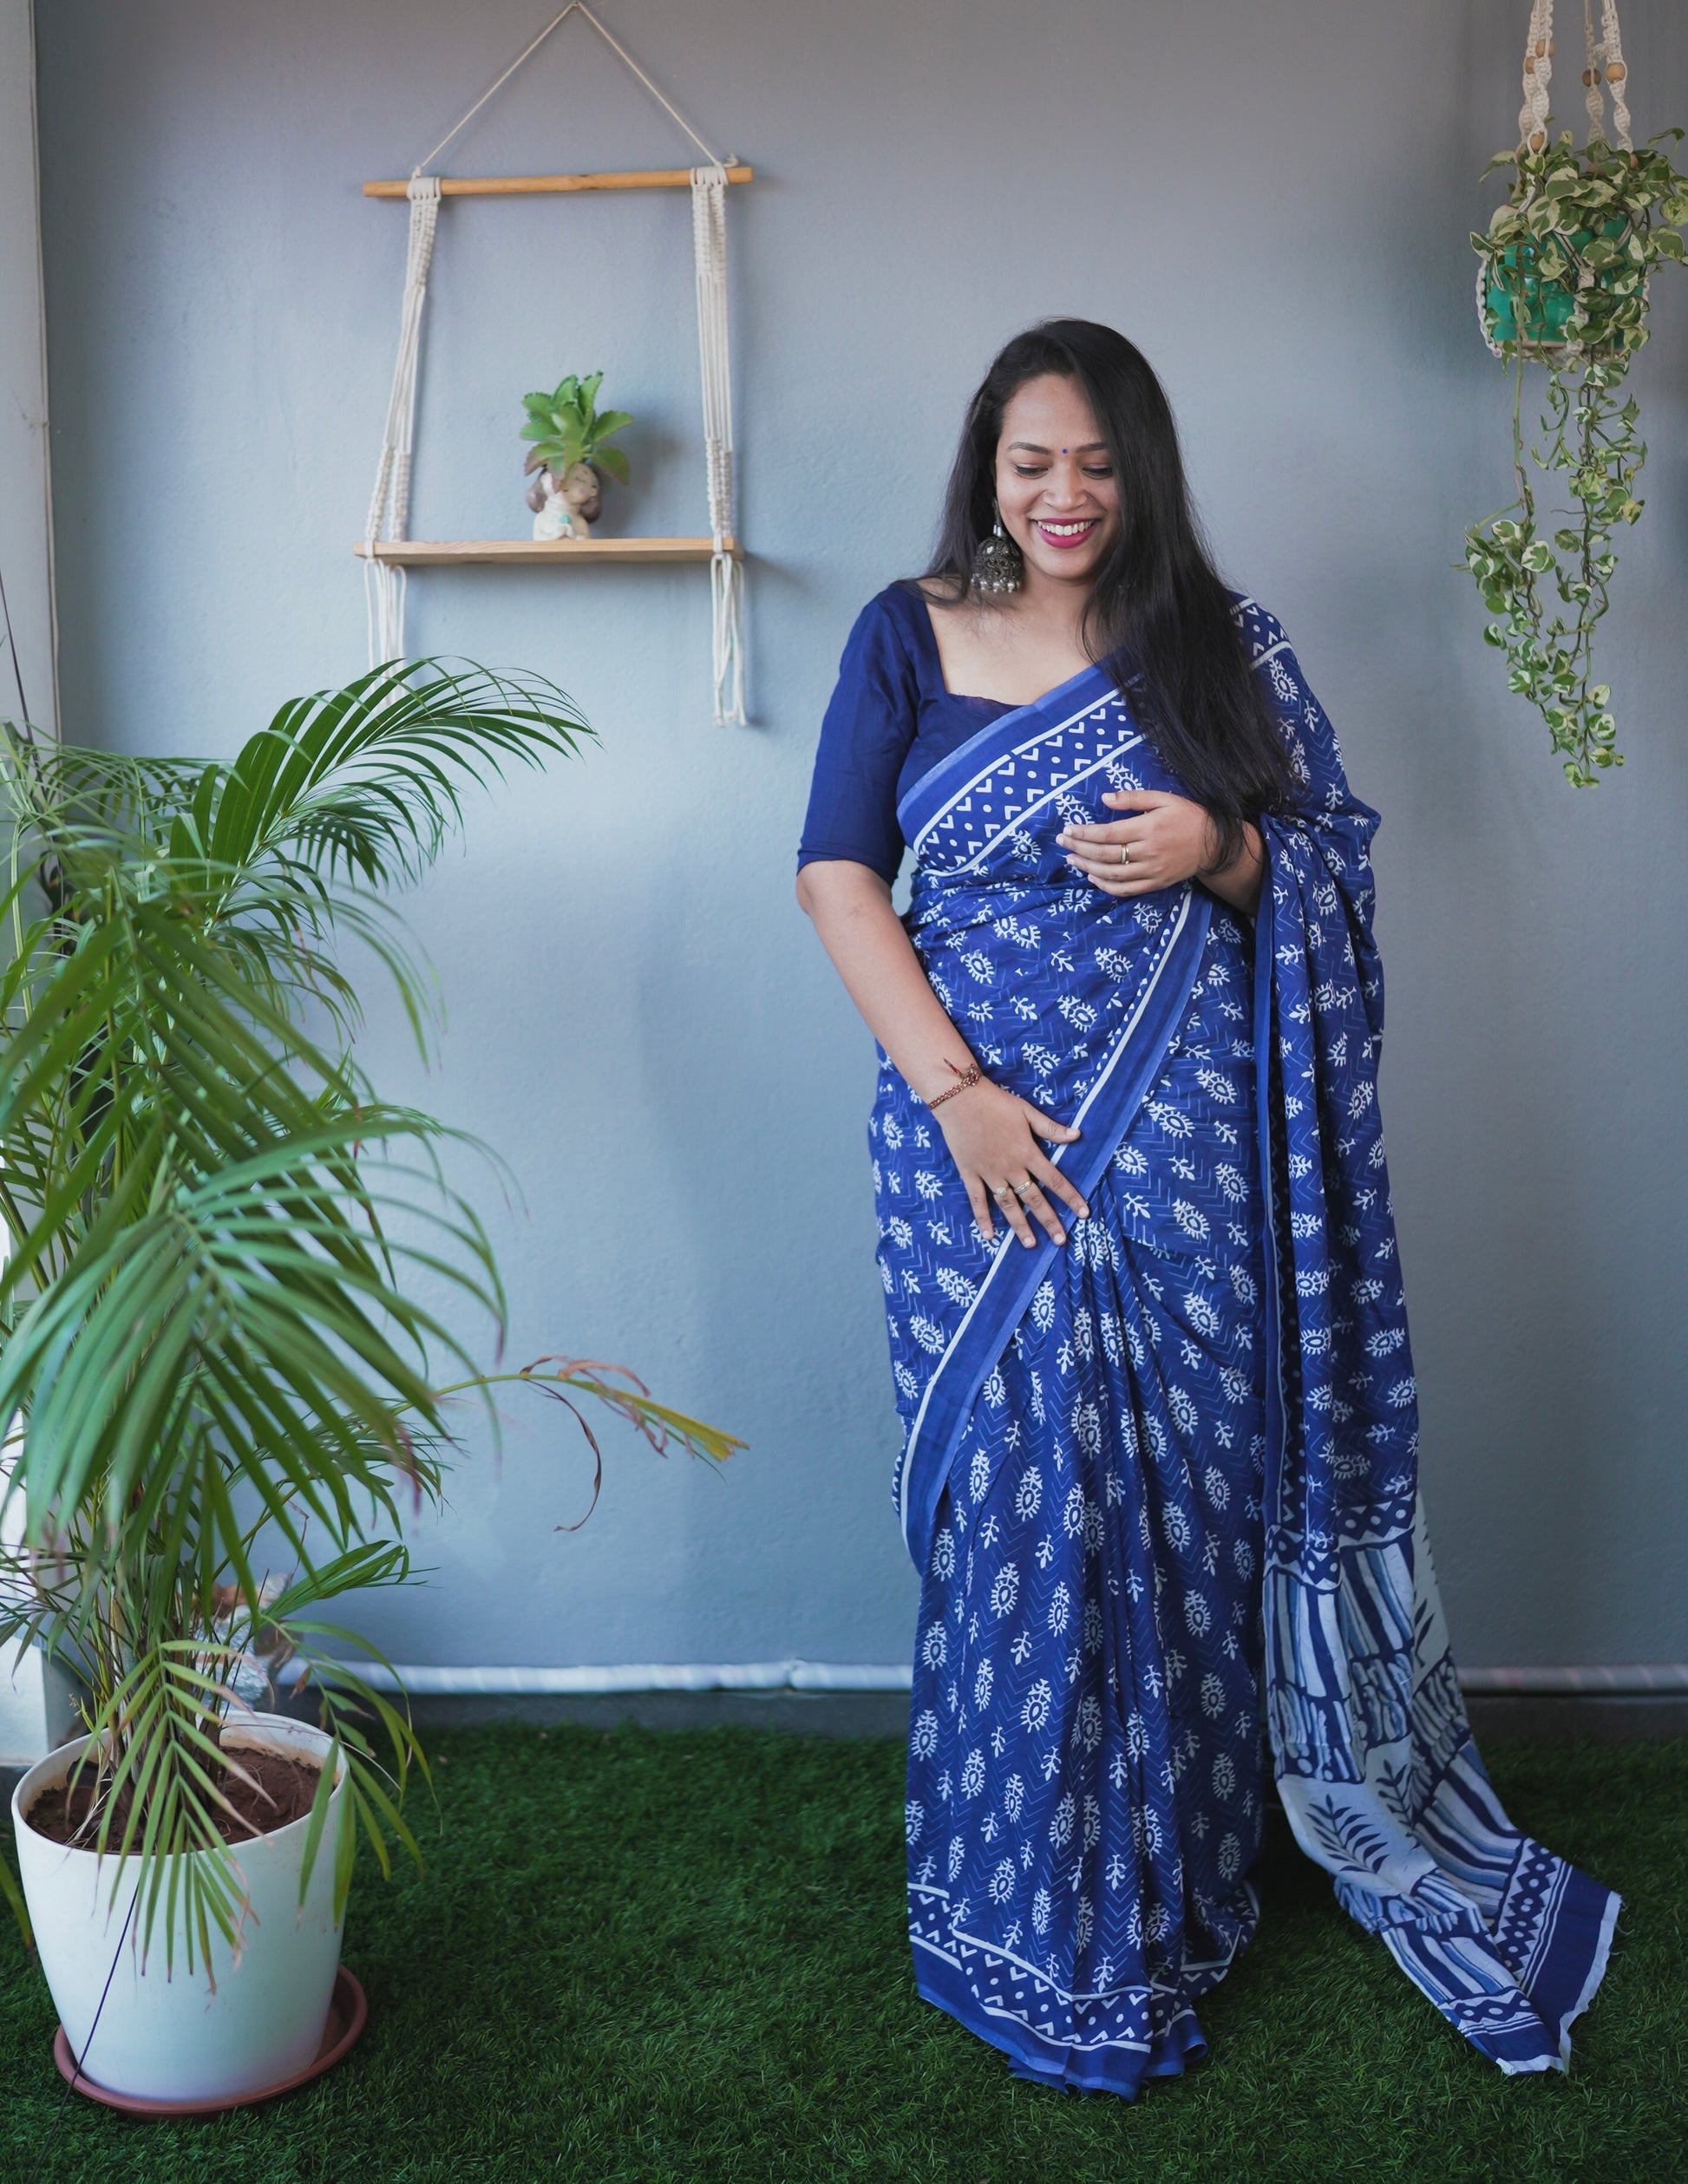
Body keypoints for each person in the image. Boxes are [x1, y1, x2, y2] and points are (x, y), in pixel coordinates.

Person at [795, 320, 1618, 2096]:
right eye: (1031, 460)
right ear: (986, 467)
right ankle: (1020, 1902)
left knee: (1176, 1507)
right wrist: (957, 1096)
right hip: (971, 1156)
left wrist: (1221, 850)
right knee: (1025, 1509)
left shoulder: (1218, 647)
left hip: (1183, 1159)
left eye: (1094, 460)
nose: (1063, 493)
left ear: (1139, 467)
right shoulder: (903, 629)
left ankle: (1169, 1895)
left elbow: (1326, 856)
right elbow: (835, 872)